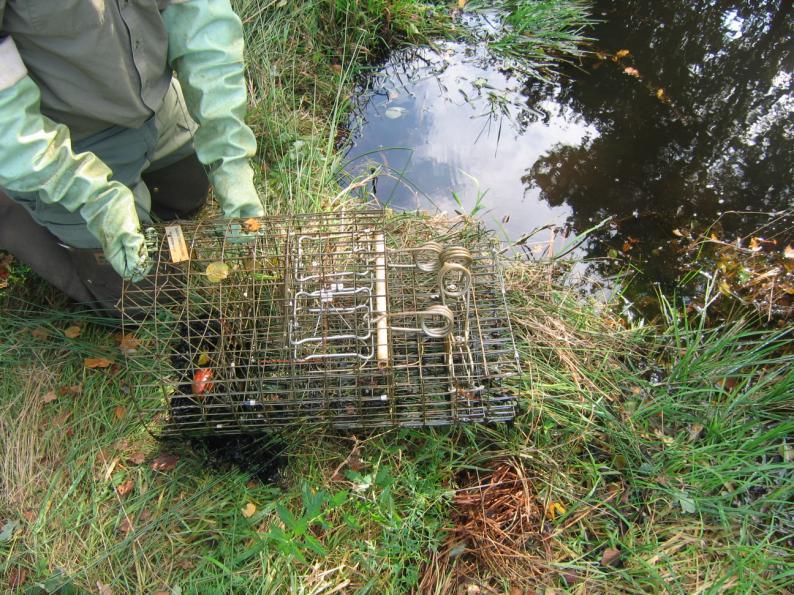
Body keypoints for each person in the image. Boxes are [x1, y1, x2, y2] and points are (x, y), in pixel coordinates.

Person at [0, 0, 264, 315]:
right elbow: (8, 126)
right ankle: (17, 209)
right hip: (63, 141)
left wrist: (227, 150)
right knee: (143, 302)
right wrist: (93, 198)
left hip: (152, 104)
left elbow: (201, 20)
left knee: (188, 194)